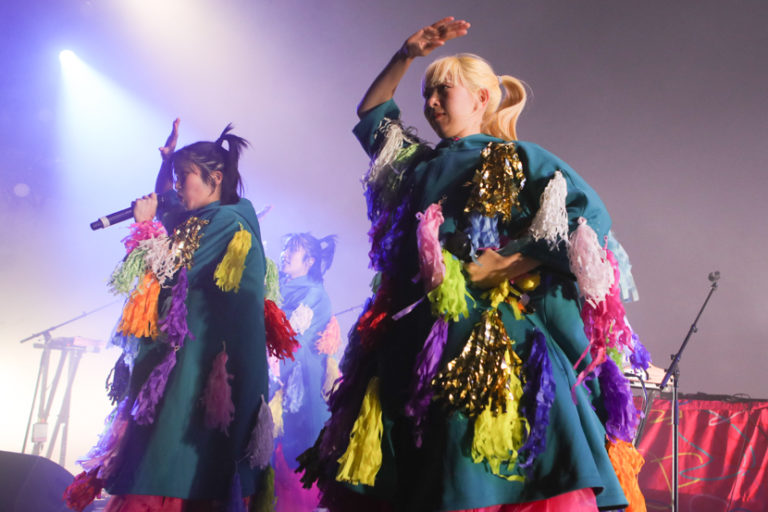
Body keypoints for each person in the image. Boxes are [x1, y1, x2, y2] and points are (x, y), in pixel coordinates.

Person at [298, 17, 648, 512]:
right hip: (411, 339)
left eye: (443, 90)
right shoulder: (415, 163)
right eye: (426, 93)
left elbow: (587, 218)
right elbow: (373, 112)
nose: (430, 102)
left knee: (473, 468)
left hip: (485, 341)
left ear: (482, 98)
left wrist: (507, 263)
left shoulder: (516, 157)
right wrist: (406, 54)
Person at [64, 119, 275, 512]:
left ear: (215, 178)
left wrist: (145, 227)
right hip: (186, 361)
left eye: (184, 177)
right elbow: (169, 204)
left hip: (206, 368)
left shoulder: (228, 224)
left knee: (180, 460)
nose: (177, 187)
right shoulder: (203, 215)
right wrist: (167, 163)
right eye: (176, 178)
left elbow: (170, 268)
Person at [270, 233, 339, 511]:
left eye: (293, 250)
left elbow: (290, 333)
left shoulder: (315, 295)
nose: (285, 254)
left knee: (296, 472)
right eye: (285, 248)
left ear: (309, 261)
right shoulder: (279, 287)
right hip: (276, 380)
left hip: (299, 390)